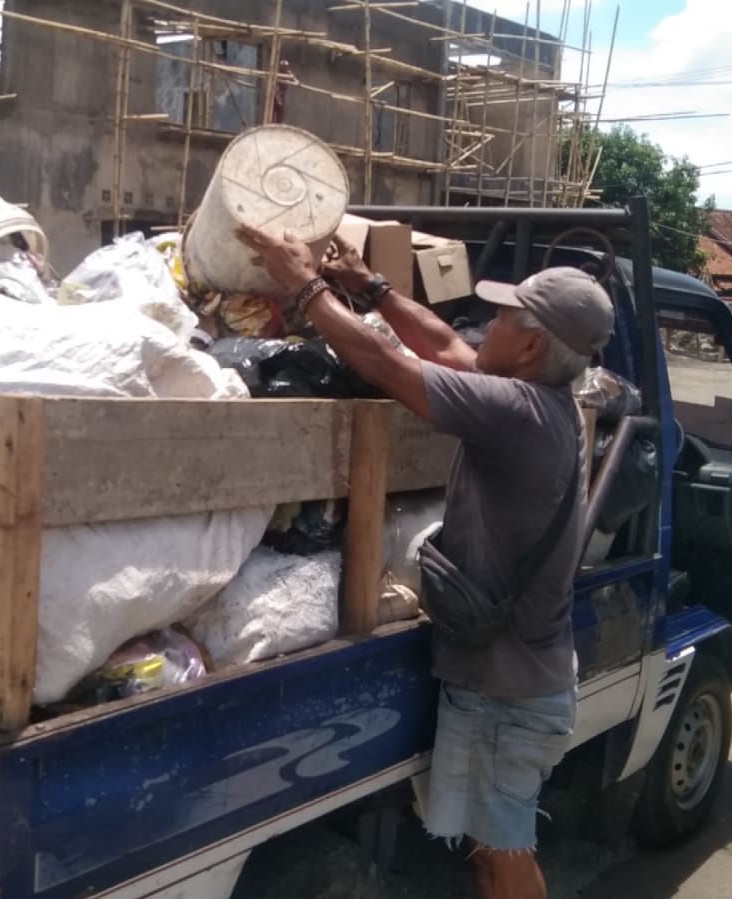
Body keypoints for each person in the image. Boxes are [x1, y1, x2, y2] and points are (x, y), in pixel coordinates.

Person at [236, 224, 614, 899]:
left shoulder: (519, 412)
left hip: (509, 694)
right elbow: (439, 344)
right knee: (487, 848)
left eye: (498, 319)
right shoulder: (533, 397)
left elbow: (386, 367)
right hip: (507, 683)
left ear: (530, 345)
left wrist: (304, 287)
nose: (481, 330)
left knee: (503, 856)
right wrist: (369, 286)